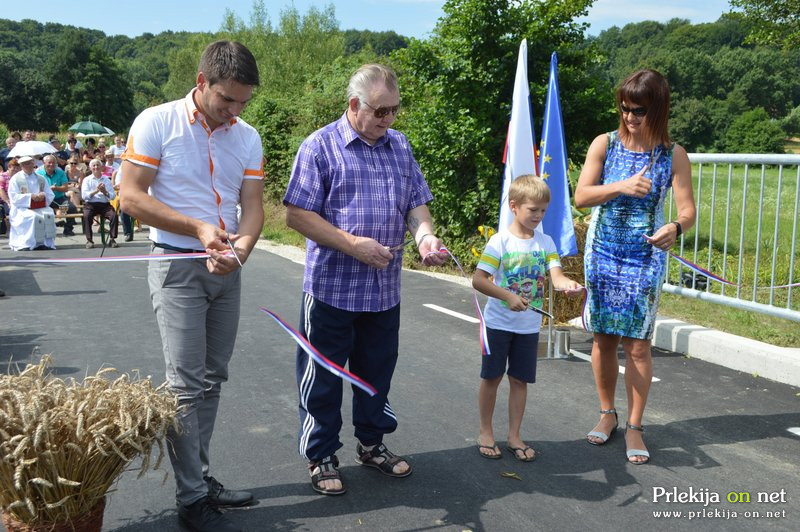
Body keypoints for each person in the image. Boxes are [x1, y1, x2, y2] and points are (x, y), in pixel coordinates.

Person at [120, 40, 264, 532]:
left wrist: (240, 251)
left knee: (212, 379)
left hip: (227, 269)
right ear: (202, 83)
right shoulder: (156, 121)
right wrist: (199, 228)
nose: (235, 111)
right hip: (177, 267)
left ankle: (199, 478)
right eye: (227, 100)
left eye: (244, 102)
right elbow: (131, 198)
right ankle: (191, 499)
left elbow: (253, 208)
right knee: (184, 388)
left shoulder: (247, 136)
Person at [284, 63, 446, 496]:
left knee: (376, 372)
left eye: (394, 111)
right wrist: (352, 244)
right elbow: (297, 214)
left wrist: (425, 236)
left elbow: (417, 203)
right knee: (323, 375)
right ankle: (320, 454)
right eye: (379, 112)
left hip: (383, 289)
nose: (388, 120)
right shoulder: (319, 147)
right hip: (332, 288)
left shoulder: (399, 146)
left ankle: (372, 444)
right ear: (354, 105)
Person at [574, 69, 696, 465]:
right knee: (603, 339)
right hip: (604, 254)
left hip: (645, 258)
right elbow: (582, 196)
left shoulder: (672, 154)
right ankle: (607, 413)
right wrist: (621, 186)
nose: (630, 117)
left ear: (658, 109)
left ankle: (636, 426)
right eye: (625, 108)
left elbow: (688, 211)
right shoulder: (604, 144)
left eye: (639, 110)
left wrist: (675, 227)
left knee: (639, 345)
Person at [472, 175, 582, 461]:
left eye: (543, 210)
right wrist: (507, 296)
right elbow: (479, 280)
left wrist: (568, 285)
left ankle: (514, 435)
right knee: (492, 377)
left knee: (520, 380)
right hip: (498, 324)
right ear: (514, 206)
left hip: (528, 326)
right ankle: (486, 431)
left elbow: (556, 277)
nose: (538, 216)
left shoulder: (545, 243)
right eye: (532, 209)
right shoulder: (500, 242)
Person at [7, 155, 56, 250]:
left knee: (49, 214)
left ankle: (44, 243)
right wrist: (30, 197)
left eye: (30, 163)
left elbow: (50, 194)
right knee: (33, 217)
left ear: (33, 164)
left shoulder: (41, 178)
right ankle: (27, 244)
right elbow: (13, 197)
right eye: (26, 164)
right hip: (22, 208)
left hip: (40, 206)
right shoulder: (16, 179)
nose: (29, 166)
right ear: (21, 166)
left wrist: (43, 195)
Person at [81, 158, 118, 249]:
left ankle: (112, 239)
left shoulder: (106, 180)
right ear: (90, 168)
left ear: (101, 167)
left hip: (104, 204)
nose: (96, 167)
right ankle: (89, 240)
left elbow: (112, 196)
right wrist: (96, 191)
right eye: (93, 165)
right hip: (91, 204)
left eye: (98, 165)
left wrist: (104, 191)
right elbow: (84, 196)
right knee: (86, 216)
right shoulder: (86, 179)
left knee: (114, 215)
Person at [37, 154, 77, 236]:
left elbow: (65, 188)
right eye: (49, 162)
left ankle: (68, 229)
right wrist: (47, 189)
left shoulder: (60, 172)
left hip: (59, 198)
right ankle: (45, 229)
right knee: (39, 211)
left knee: (72, 208)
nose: (51, 165)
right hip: (45, 199)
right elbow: (35, 188)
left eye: (54, 163)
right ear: (44, 163)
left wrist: (56, 188)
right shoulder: (38, 173)